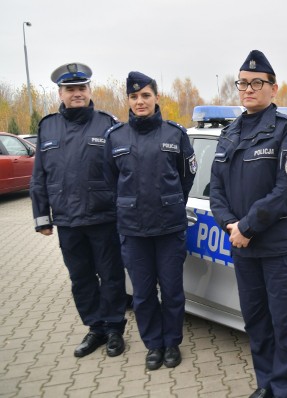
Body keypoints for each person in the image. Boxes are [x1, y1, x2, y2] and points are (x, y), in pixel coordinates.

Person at [209, 50, 287, 398]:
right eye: (243, 83)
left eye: (257, 83)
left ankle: (284, 390)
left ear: (273, 88)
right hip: (244, 248)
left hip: (282, 251)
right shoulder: (229, 134)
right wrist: (230, 226)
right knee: (256, 322)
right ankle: (266, 384)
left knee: (285, 327)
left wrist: (246, 227)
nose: (248, 89)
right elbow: (216, 191)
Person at [30, 62, 127, 358]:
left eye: (81, 88)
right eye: (70, 89)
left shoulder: (107, 123)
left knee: (110, 275)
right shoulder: (47, 126)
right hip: (67, 220)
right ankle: (95, 327)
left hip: (103, 217)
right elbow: (39, 176)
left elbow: (123, 172)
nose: (77, 94)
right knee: (80, 277)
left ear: (89, 90)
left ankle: (114, 329)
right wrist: (42, 218)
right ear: (60, 93)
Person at [104, 71, 197, 371]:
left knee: (172, 292)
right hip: (133, 231)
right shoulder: (115, 137)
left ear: (157, 97)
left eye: (145, 95)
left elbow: (188, 175)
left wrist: (171, 201)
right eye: (134, 96)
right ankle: (153, 345)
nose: (140, 101)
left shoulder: (175, 134)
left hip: (169, 229)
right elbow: (111, 180)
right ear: (128, 100)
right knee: (143, 295)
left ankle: (172, 344)